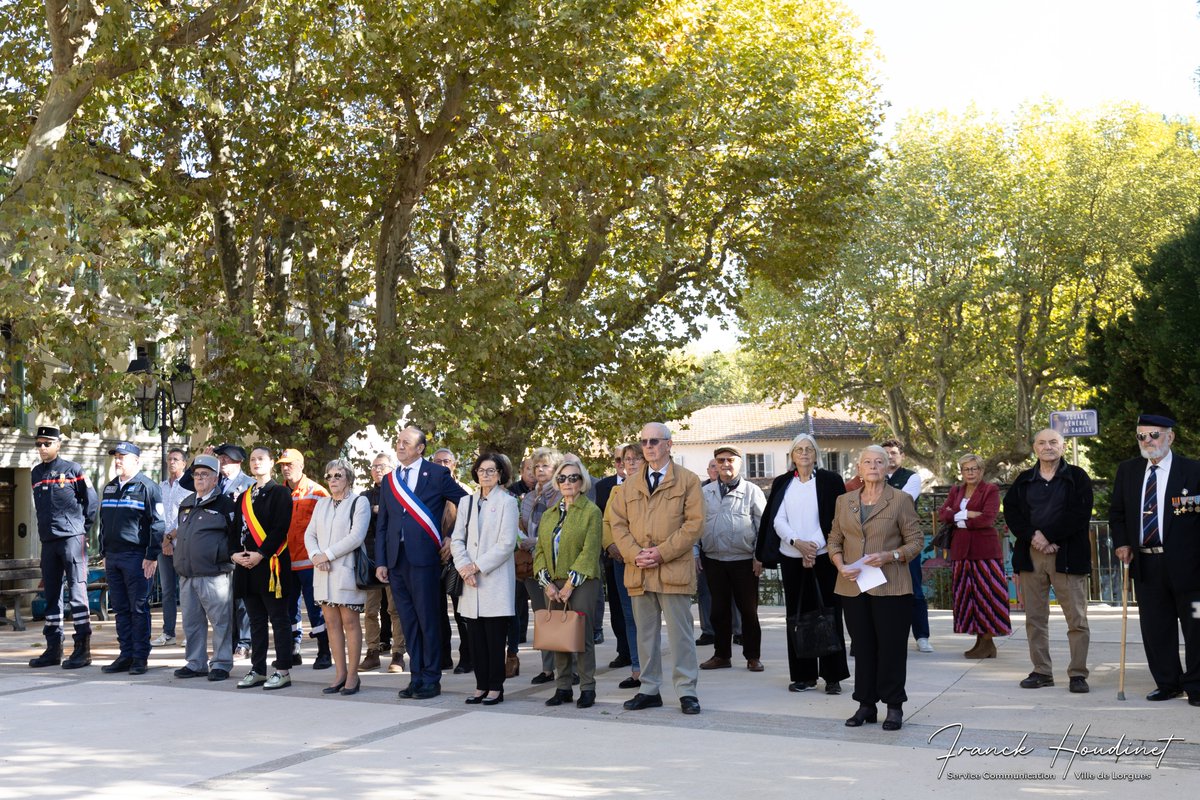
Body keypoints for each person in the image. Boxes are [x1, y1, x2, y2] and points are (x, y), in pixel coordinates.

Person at [609, 422, 705, 716]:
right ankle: (649, 689)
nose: (648, 447)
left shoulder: (688, 480)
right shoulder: (629, 485)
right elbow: (617, 523)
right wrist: (635, 554)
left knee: (681, 635)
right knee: (645, 634)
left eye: (654, 441)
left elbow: (694, 524)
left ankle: (686, 691)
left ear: (669, 444)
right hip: (639, 570)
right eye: (644, 442)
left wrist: (661, 553)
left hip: (673, 570)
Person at [828, 445, 922, 731]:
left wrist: (890, 556)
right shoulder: (844, 501)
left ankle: (894, 706)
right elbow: (834, 539)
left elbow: (916, 542)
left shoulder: (901, 499)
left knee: (892, 647)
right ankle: (866, 705)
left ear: (886, 467)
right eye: (867, 462)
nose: (873, 466)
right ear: (859, 468)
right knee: (863, 647)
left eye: (878, 461)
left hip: (891, 586)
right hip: (853, 585)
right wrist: (840, 564)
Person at [1111, 414, 1200, 705]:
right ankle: (1167, 683)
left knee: (1197, 626)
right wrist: (1122, 542)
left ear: (1170, 437)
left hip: (1191, 567)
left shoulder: (1193, 470)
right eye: (1142, 436)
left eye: (1154, 435)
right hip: (1147, 565)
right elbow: (1118, 513)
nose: (1148, 441)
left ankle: (1197, 685)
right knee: (1156, 628)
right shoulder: (1129, 471)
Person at [374, 426, 467, 700]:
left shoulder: (437, 473)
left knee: (428, 619)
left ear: (420, 448)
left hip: (426, 558)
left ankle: (432, 677)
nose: (400, 446)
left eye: (406, 442)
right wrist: (381, 561)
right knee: (408, 621)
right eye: (398, 442)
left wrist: (452, 537)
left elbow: (466, 503)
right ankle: (416, 676)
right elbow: (383, 524)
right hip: (396, 561)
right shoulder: (390, 480)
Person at [1002, 428, 1094, 693]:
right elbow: (1012, 512)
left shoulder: (1077, 477)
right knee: (1035, 618)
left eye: (1053, 442)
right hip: (1031, 555)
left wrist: (1050, 536)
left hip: (1066, 555)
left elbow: (1080, 513)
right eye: (1042, 443)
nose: (1048, 447)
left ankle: (1078, 673)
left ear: (1063, 447)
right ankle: (1042, 671)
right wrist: (1034, 537)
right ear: (1035, 448)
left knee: (1076, 618)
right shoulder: (1023, 480)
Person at [756, 434, 849, 694]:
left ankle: (833, 676)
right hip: (792, 556)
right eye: (799, 450)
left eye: (809, 449)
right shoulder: (783, 482)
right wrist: (797, 542)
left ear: (816, 454)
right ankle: (804, 676)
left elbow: (837, 519)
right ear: (792, 456)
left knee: (829, 614)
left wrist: (814, 546)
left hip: (825, 557)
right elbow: (777, 518)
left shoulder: (831, 481)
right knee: (798, 616)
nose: (805, 453)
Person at [534, 460, 603, 708]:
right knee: (557, 635)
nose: (567, 483)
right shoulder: (550, 514)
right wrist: (547, 583)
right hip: (552, 583)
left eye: (573, 478)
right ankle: (562, 687)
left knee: (581, 636)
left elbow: (590, 551)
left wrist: (569, 585)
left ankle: (587, 687)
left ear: (582, 482)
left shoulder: (591, 512)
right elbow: (540, 549)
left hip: (581, 581)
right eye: (562, 478)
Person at [452, 454, 519, 705]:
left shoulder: (507, 502)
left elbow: (506, 544)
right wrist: (464, 568)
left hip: (493, 579)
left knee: (494, 638)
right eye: (481, 470)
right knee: (475, 638)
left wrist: (476, 567)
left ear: (501, 473)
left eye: (491, 471)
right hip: (469, 580)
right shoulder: (466, 501)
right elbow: (457, 539)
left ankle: (495, 687)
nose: (486, 475)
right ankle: (480, 685)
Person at [28, 426, 97, 670]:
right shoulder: (36, 473)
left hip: (71, 539)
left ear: (58, 445)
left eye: (47, 443)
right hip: (49, 541)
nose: (42, 448)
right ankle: (53, 648)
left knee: (78, 593)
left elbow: (91, 502)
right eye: (39, 444)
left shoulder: (73, 469)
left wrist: (82, 530)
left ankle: (82, 648)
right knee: (51, 596)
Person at [166, 455, 239, 682]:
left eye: (205, 474)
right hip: (188, 573)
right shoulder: (187, 502)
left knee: (221, 622)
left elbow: (235, 536)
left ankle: (221, 663)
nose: (199, 478)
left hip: (214, 573)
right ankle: (196, 663)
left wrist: (224, 557)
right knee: (191, 622)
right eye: (196, 474)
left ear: (215, 479)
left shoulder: (226, 504)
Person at [97, 441, 165, 675]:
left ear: (136, 461)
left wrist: (152, 555)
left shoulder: (148, 487)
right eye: (116, 457)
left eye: (122, 457)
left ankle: (139, 657)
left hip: (137, 557)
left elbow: (158, 524)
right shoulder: (109, 487)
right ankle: (125, 654)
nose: (117, 460)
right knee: (121, 609)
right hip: (113, 557)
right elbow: (103, 524)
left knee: (138, 608)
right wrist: (103, 552)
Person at [305, 459, 371, 695]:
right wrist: (315, 555)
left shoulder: (359, 502)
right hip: (322, 572)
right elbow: (309, 534)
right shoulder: (321, 503)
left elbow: (356, 536)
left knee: (350, 623)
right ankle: (339, 673)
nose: (332, 480)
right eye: (329, 475)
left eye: (338, 475)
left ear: (349, 479)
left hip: (345, 570)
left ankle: (353, 676)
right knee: (331, 623)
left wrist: (327, 555)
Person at [698, 446, 766, 672]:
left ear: (739, 463)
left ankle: (753, 656)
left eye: (729, 460)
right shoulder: (705, 492)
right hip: (714, 560)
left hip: (744, 560)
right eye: (720, 460)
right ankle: (722, 655)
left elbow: (762, 526)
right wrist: (696, 552)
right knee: (718, 611)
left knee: (748, 611)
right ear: (715, 464)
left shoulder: (752, 491)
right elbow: (695, 525)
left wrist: (759, 557)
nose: (725, 464)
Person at [232, 447, 295, 690]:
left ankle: (282, 670)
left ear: (271, 464)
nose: (256, 463)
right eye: (253, 459)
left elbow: (280, 529)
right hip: (246, 566)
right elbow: (235, 529)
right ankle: (258, 668)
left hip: (271, 565)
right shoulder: (244, 496)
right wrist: (234, 554)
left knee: (279, 619)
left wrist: (261, 554)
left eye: (261, 459)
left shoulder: (280, 493)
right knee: (255, 620)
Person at [936, 454, 1010, 659]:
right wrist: (967, 514)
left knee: (987, 595)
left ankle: (988, 641)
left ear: (982, 470)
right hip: (961, 551)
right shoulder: (956, 490)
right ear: (961, 472)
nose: (970, 472)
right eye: (966, 469)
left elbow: (987, 519)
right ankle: (980, 640)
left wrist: (957, 517)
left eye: (974, 468)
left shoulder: (990, 490)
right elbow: (943, 514)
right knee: (968, 597)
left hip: (984, 552)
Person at [277, 448, 332, 669]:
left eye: (290, 464)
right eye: (282, 464)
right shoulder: (278, 492)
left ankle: (324, 651)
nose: (285, 468)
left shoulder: (317, 492)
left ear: (301, 465)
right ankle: (293, 649)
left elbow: (328, 526)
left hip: (311, 563)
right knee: (288, 608)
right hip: (285, 562)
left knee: (316, 608)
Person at [880, 439, 931, 654]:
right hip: (879, 542)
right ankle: (886, 636)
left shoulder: (912, 477)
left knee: (914, 589)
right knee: (881, 590)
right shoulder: (872, 477)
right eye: (885, 454)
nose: (889, 457)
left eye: (893, 453)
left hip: (906, 542)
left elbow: (902, 502)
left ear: (901, 455)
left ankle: (922, 636)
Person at [519, 446, 564, 684]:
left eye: (545, 465)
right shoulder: (529, 496)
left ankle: (568, 668)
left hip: (555, 563)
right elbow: (525, 525)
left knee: (560, 617)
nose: (540, 470)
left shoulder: (561, 494)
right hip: (533, 565)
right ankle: (547, 668)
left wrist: (535, 541)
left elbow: (562, 530)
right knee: (542, 617)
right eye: (536, 466)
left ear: (556, 469)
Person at [603, 443, 644, 689]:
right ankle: (637, 669)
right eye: (626, 459)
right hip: (621, 562)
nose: (630, 463)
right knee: (629, 615)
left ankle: (652, 668)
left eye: (635, 458)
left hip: (646, 560)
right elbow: (607, 522)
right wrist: (610, 546)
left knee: (647, 617)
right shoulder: (616, 492)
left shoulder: (654, 487)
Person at [361, 452, 406, 674]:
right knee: (370, 610)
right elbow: (359, 522)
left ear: (392, 469)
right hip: (370, 559)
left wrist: (382, 511)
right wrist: (372, 511)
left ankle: (398, 653)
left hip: (394, 559)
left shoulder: (399, 493)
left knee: (395, 609)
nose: (378, 470)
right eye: (375, 466)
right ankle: (372, 652)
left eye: (383, 466)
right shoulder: (365, 496)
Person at [213, 443, 254, 659]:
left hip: (241, 547)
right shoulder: (214, 482)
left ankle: (245, 642)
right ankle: (229, 641)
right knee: (224, 600)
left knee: (241, 600)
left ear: (238, 461)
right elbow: (186, 483)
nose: (222, 464)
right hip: (219, 548)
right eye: (220, 460)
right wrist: (204, 457)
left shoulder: (249, 484)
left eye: (226, 460)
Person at [433, 447, 472, 675]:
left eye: (446, 461)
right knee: (437, 613)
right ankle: (443, 656)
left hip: (458, 558)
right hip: (433, 557)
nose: (441, 465)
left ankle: (467, 657)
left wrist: (452, 539)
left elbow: (470, 522)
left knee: (461, 612)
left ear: (454, 465)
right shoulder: (426, 489)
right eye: (436, 461)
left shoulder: (464, 491)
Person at [594, 444, 631, 670]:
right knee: (617, 608)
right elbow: (602, 520)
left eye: (626, 459)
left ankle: (641, 653)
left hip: (639, 557)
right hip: (613, 557)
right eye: (618, 460)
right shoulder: (604, 486)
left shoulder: (645, 483)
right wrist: (609, 545)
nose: (622, 464)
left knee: (638, 610)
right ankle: (623, 651)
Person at [153, 447, 190, 648]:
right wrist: (163, 541)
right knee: (167, 591)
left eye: (176, 459)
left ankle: (190, 632)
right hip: (163, 546)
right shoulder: (160, 487)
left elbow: (186, 517)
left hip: (182, 544)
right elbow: (157, 517)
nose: (172, 463)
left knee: (186, 591)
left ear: (184, 463)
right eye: (169, 459)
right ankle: (168, 633)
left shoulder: (188, 488)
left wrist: (170, 538)